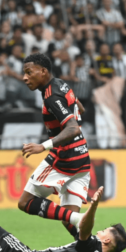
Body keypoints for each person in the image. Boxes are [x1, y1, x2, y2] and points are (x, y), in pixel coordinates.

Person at [18, 53, 89, 240]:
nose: (24, 77)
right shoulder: (60, 84)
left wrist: (43, 146)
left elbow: (72, 128)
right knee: (72, 226)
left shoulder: (51, 96)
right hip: (82, 159)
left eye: (28, 72)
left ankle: (78, 218)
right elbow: (80, 108)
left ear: (43, 71)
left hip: (64, 159)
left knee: (25, 202)